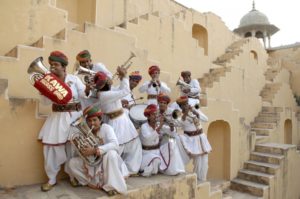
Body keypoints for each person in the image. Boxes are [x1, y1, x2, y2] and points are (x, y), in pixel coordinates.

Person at [38, 51, 86, 191]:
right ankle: (51, 179)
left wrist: (89, 88)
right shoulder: (48, 82)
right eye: (51, 64)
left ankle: (73, 176)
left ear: (64, 66)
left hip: (75, 117)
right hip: (57, 118)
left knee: (73, 148)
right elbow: (46, 103)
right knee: (52, 149)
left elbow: (84, 94)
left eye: (56, 64)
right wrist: (43, 91)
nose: (53, 67)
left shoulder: (74, 79)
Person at [65, 106, 128, 196]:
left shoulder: (106, 128)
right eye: (89, 121)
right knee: (72, 163)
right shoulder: (84, 132)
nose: (92, 123)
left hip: (106, 160)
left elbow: (115, 144)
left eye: (94, 120)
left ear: (100, 119)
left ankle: (112, 186)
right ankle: (93, 182)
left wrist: (95, 150)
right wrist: (81, 149)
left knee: (111, 154)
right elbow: (84, 152)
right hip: (93, 162)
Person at [93, 67, 142, 175]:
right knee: (117, 148)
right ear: (105, 83)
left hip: (122, 120)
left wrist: (121, 79)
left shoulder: (107, 91)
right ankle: (113, 172)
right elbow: (124, 91)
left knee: (134, 144)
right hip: (116, 122)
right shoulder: (104, 95)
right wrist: (124, 76)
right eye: (108, 79)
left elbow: (119, 89)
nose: (110, 80)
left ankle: (130, 170)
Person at [139, 104, 185, 177]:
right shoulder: (144, 126)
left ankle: (172, 170)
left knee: (172, 144)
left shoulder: (157, 125)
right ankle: (154, 168)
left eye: (156, 114)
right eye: (153, 115)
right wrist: (160, 126)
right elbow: (148, 138)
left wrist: (172, 127)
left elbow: (172, 133)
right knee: (155, 161)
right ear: (148, 116)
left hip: (157, 151)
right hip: (147, 153)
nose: (156, 116)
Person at [175, 96, 212, 182]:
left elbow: (206, 119)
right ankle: (197, 181)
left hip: (201, 138)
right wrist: (185, 114)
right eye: (183, 105)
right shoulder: (180, 116)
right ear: (181, 107)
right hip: (192, 140)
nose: (186, 105)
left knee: (205, 162)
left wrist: (195, 111)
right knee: (198, 162)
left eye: (187, 103)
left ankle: (202, 179)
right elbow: (180, 123)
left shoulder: (195, 111)